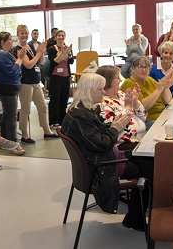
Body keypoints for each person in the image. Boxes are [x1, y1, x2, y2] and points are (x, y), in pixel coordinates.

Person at [60, 73, 148, 231]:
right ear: (88, 91)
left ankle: (137, 215)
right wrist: (115, 128)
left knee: (145, 158)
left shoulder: (82, 111)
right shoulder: (80, 117)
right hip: (101, 167)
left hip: (99, 160)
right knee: (148, 170)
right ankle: (136, 218)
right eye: (100, 89)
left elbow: (98, 138)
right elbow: (103, 144)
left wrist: (113, 126)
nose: (103, 92)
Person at [95, 65, 147, 176]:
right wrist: (127, 107)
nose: (120, 80)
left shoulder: (122, 95)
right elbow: (116, 125)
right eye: (117, 77)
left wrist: (136, 102)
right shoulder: (101, 103)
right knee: (150, 163)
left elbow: (143, 116)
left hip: (139, 139)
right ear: (108, 80)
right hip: (122, 143)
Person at [13, 25, 58, 143]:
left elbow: (40, 62)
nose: (24, 35)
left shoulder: (30, 46)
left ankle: (47, 130)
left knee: (43, 107)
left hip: (36, 82)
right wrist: (38, 53)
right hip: (25, 83)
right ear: (18, 35)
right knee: (25, 109)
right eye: (21, 33)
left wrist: (41, 52)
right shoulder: (18, 49)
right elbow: (28, 64)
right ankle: (25, 134)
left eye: (25, 33)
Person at [121, 56, 173, 130]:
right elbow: (142, 108)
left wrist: (165, 88)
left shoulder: (150, 79)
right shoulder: (129, 83)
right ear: (133, 68)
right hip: (148, 119)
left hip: (163, 115)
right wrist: (158, 90)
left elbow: (168, 100)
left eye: (146, 67)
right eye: (140, 66)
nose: (143, 70)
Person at [0, 31, 25, 144]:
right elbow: (11, 72)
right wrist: (20, 58)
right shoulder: (1, 55)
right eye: (10, 39)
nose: (12, 41)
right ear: (3, 42)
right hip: (7, 89)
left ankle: (5, 140)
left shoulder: (5, 54)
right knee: (12, 115)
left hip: (8, 88)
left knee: (7, 114)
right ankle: (12, 142)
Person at [47, 29, 75, 127]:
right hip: (56, 77)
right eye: (59, 36)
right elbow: (54, 62)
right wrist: (61, 53)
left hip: (66, 76)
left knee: (64, 98)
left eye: (62, 36)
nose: (61, 37)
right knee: (55, 99)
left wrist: (69, 53)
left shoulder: (67, 48)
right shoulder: (52, 49)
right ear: (56, 37)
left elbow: (71, 62)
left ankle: (62, 120)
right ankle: (53, 121)